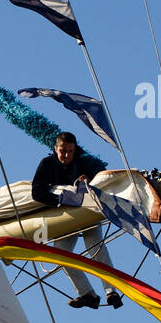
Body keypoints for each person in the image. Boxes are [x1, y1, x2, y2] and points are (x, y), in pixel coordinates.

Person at [30, 131, 121, 310]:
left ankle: (112, 291)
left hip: (87, 211)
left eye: (70, 151)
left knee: (96, 248)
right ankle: (87, 294)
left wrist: (89, 180)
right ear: (55, 149)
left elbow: (103, 180)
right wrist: (58, 199)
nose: (66, 156)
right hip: (66, 214)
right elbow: (36, 192)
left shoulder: (85, 162)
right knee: (61, 254)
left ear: (75, 150)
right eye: (62, 151)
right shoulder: (47, 164)